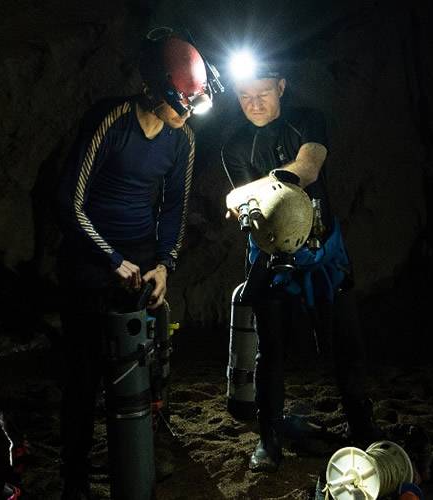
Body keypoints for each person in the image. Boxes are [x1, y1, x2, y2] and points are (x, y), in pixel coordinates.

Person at [55, 28, 213, 499]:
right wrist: (111, 259)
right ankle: (75, 477)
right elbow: (69, 201)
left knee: (148, 365)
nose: (185, 115)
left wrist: (164, 265)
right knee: (84, 374)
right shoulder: (112, 119)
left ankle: (142, 453)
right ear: (154, 88)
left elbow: (173, 209)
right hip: (91, 256)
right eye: (180, 103)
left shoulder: (182, 141)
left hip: (142, 259)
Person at [221, 63, 379, 472]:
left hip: (323, 250)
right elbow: (234, 198)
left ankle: (363, 430)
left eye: (264, 93)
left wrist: (268, 184)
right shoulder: (235, 145)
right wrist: (243, 198)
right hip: (270, 256)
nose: (254, 103)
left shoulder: (307, 120)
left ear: (281, 86)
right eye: (244, 96)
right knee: (270, 350)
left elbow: (309, 165)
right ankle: (268, 438)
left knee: (347, 343)